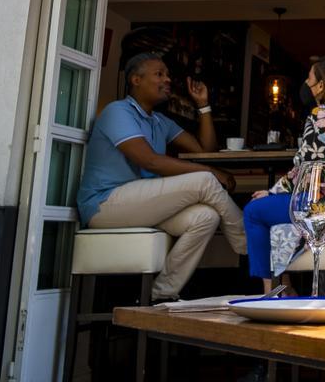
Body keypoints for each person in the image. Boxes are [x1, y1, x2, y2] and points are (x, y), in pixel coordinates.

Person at [76, 52, 247, 301]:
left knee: (205, 216)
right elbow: (150, 161)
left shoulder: (159, 121)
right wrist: (210, 172)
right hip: (105, 204)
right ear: (136, 80)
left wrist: (203, 106)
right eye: (159, 74)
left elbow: (204, 151)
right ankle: (249, 244)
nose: (167, 79)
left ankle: (161, 294)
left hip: (140, 203)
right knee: (205, 180)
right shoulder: (118, 112)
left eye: (167, 74)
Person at [243, 56, 325, 293]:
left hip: (320, 203)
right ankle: (284, 285)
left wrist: (272, 192)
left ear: (321, 85)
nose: (306, 83)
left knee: (254, 211)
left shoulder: (320, 115)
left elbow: (306, 168)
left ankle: (272, 289)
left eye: (309, 78)